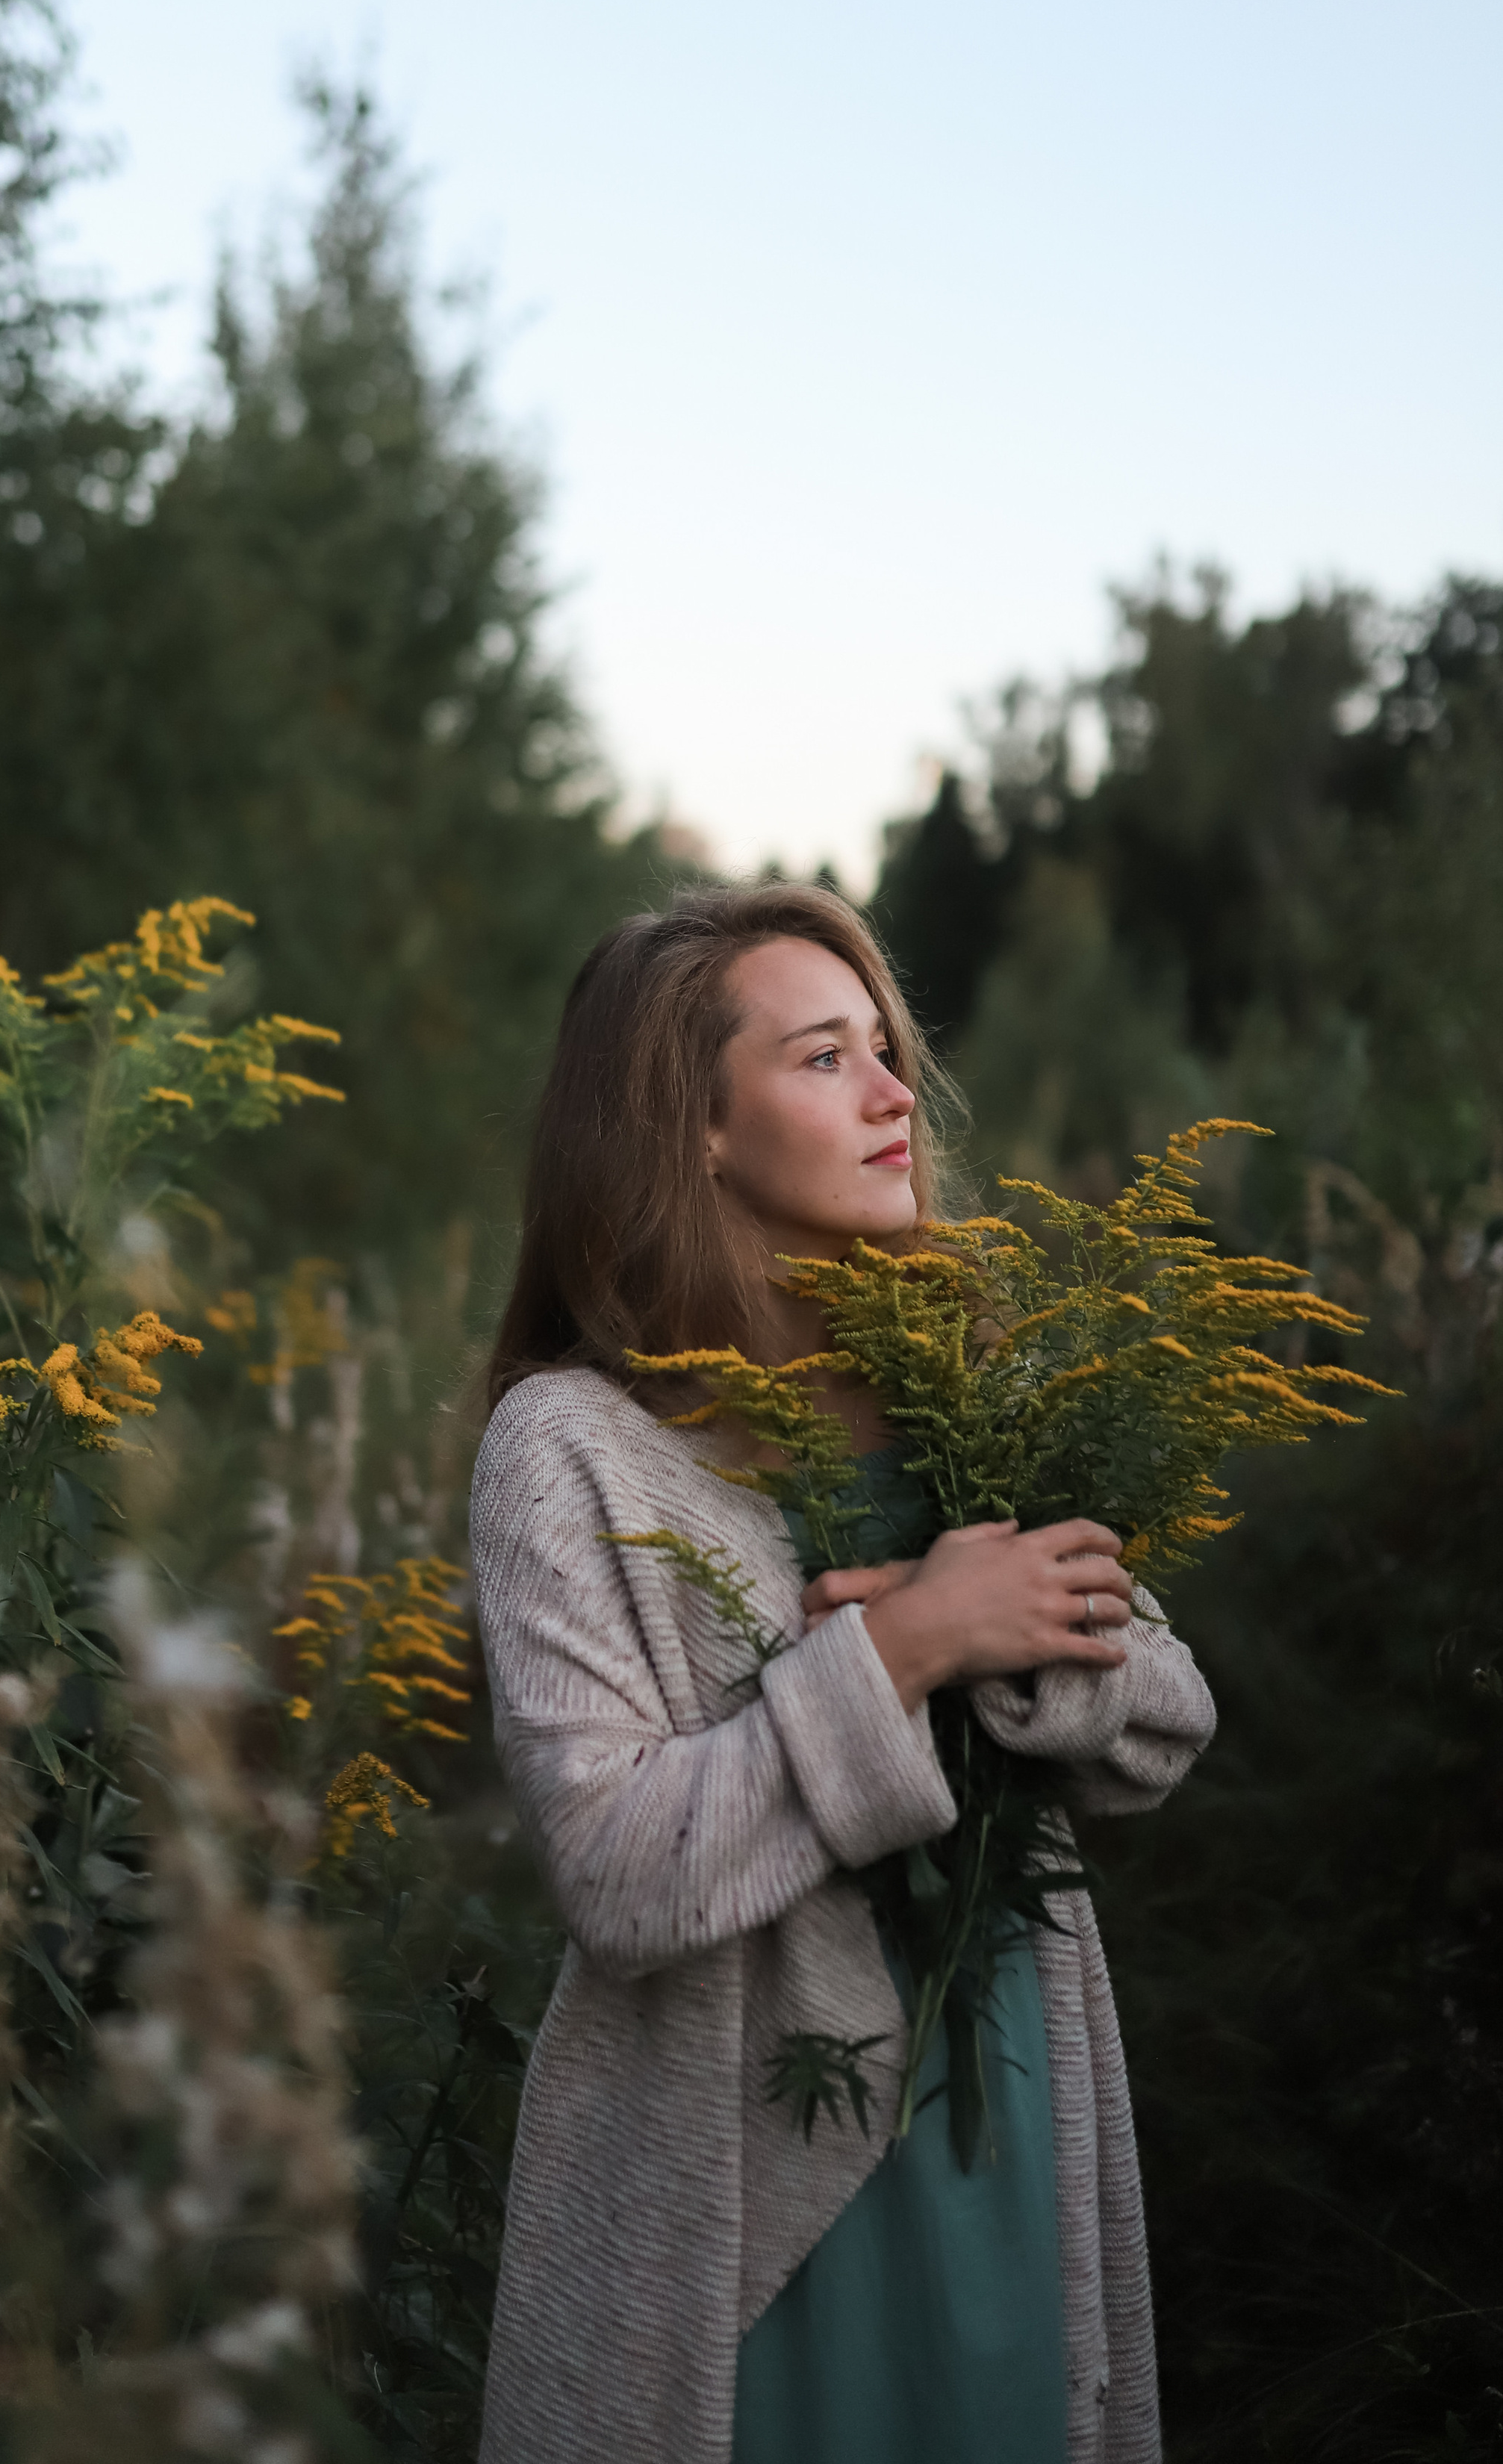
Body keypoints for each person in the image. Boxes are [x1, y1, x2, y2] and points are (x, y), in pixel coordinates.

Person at [470, 882, 1216, 2464]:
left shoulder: (957, 1382)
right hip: (741, 2167)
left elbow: (1163, 1715)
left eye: (883, 1050)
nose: (893, 1096)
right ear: (692, 1130)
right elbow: (612, 1871)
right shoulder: (571, 1449)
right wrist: (905, 1646)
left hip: (1000, 2095)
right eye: (823, 1059)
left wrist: (1023, 1650)